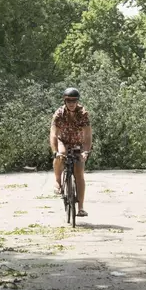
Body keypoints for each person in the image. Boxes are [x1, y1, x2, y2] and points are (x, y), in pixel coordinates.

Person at [49, 88, 93, 217]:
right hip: (63, 140)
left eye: (74, 101)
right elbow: (53, 134)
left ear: (77, 101)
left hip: (78, 142)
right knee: (61, 155)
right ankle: (58, 180)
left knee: (79, 171)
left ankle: (81, 207)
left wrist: (86, 151)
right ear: (65, 101)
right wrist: (55, 151)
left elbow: (88, 135)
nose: (71, 103)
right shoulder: (59, 113)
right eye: (68, 101)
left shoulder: (83, 113)